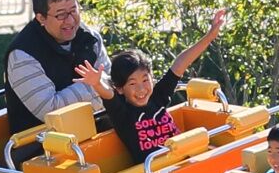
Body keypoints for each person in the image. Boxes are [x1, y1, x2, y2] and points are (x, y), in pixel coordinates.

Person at [97, 14, 227, 163]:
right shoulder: (123, 114)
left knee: (217, 151)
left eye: (145, 80)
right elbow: (107, 95)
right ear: (120, 88)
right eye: (132, 83)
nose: (141, 89)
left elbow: (181, 63)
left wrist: (210, 36)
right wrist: (96, 83)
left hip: (183, 159)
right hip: (156, 172)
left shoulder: (157, 97)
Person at [3, 0, 108, 126]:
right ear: (41, 18)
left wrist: (103, 86)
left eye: (73, 10)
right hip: (42, 141)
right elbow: (50, 112)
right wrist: (97, 85)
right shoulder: (23, 55)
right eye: (61, 15)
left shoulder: (90, 37)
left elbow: (114, 83)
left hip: (95, 125)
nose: (70, 20)